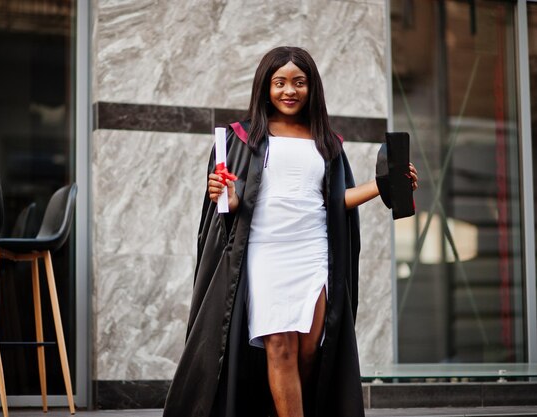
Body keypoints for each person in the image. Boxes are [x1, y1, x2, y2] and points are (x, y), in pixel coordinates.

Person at [163, 46, 418, 417]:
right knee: (279, 345)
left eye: (299, 82)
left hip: (313, 252)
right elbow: (234, 203)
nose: (289, 91)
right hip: (265, 253)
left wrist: (386, 184)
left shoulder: (327, 142)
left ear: (311, 88)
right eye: (279, 82)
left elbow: (335, 200)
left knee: (311, 349)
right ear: (265, 87)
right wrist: (227, 195)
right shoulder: (243, 137)